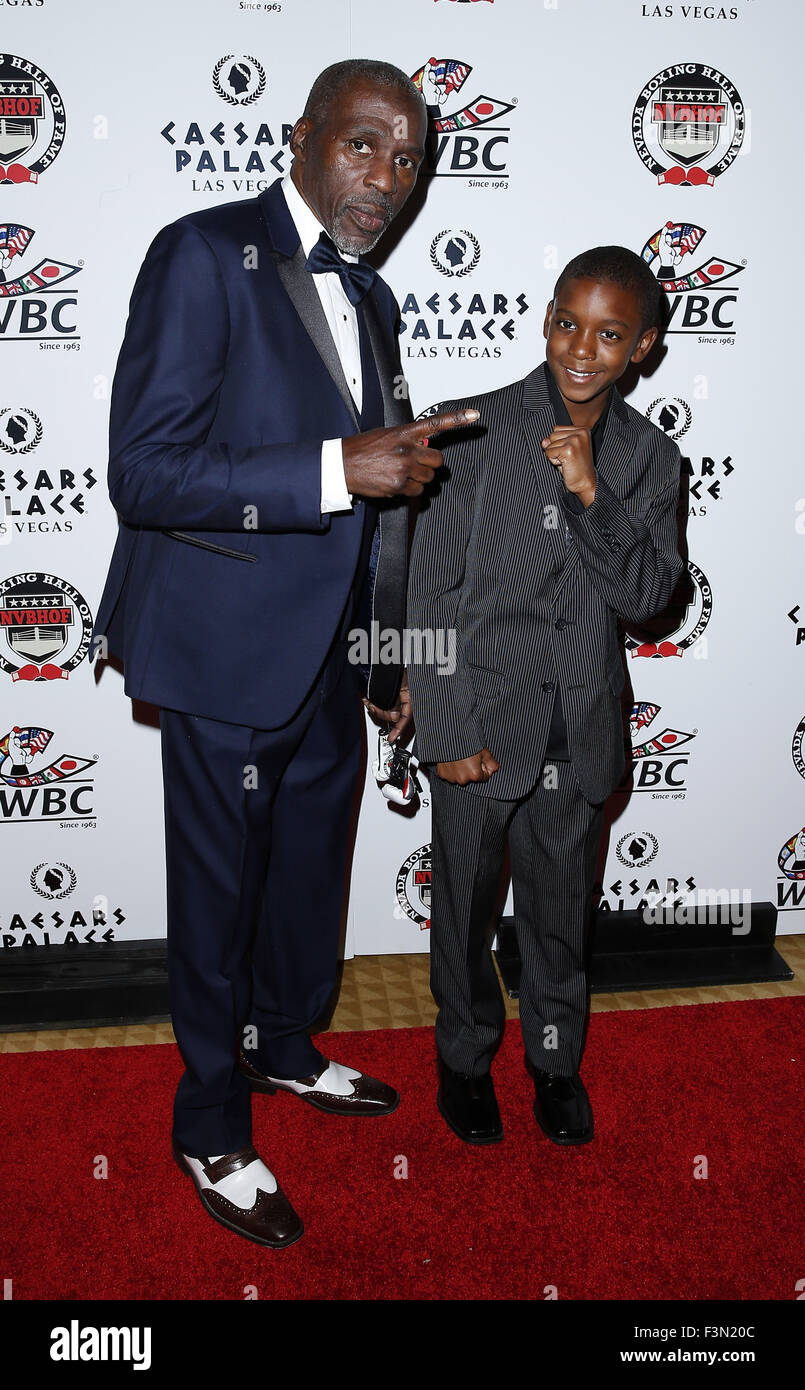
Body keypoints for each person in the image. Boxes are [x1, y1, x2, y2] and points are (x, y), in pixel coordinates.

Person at [92, 58, 477, 1249]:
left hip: (333, 649)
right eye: (364, 144)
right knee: (218, 897)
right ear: (303, 136)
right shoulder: (203, 252)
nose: (387, 177)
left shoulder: (374, 298)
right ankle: (209, 1123)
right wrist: (326, 469)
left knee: (310, 869)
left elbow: (389, 497)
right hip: (223, 644)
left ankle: (286, 1048)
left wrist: (390, 653)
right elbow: (143, 474)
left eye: (408, 158)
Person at [406, 247, 683, 1148]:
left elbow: (648, 599)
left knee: (561, 922)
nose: (580, 348)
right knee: (465, 915)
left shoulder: (648, 458)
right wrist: (444, 727)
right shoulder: (473, 432)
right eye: (568, 322)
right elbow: (428, 594)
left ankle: (555, 1066)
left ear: (640, 347)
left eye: (608, 335)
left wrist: (592, 496)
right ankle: (463, 1060)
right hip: (478, 728)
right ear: (546, 319)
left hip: (578, 733)